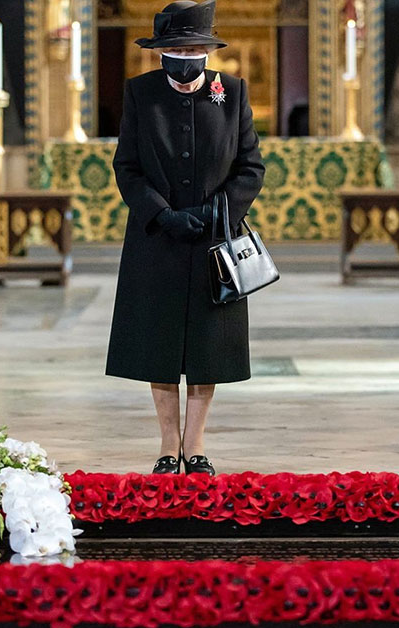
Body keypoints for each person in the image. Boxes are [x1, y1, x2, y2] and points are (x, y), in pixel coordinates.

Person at [104, 0, 265, 476]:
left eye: (195, 47)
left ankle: (194, 447)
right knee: (159, 343)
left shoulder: (232, 93)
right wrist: (163, 214)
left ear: (208, 52)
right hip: (158, 240)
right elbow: (127, 167)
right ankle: (166, 445)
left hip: (215, 241)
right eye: (177, 48)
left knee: (207, 348)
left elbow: (251, 167)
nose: (186, 55)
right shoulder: (141, 94)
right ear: (161, 54)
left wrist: (219, 210)